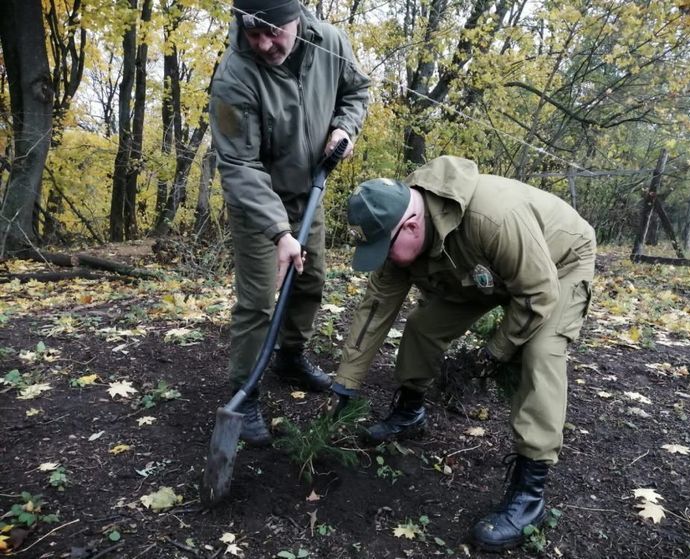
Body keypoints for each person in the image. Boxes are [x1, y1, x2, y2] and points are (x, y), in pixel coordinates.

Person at [331, 156, 596, 552]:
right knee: (424, 326)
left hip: (558, 263)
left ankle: (530, 492)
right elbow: (374, 310)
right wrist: (346, 385)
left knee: (540, 353)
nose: (382, 259)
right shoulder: (397, 230)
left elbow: (539, 294)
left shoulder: (493, 217)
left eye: (383, 249)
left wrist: (496, 351)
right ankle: (410, 411)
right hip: (477, 267)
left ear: (411, 225)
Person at [209, 0, 370, 446]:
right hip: (258, 204)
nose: (263, 44)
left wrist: (344, 128)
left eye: (273, 32)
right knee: (259, 300)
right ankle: (246, 392)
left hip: (308, 192)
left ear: (295, 18)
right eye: (252, 33)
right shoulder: (234, 76)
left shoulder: (331, 43)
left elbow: (357, 91)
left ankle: (291, 356)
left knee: (311, 278)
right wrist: (279, 232)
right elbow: (239, 165)